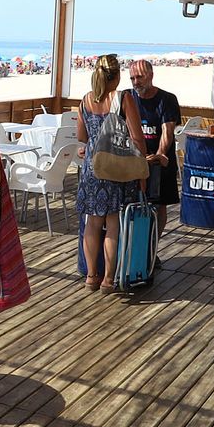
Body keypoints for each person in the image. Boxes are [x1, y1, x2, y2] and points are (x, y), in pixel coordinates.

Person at [75, 54, 147, 293]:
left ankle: (91, 276)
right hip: (116, 166)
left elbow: (82, 137)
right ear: (116, 76)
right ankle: (108, 279)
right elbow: (137, 138)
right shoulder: (123, 98)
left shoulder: (85, 100)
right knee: (113, 223)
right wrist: (143, 170)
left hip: (92, 168)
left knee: (92, 223)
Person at [126, 59, 181, 235]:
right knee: (130, 205)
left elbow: (168, 131)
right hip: (133, 162)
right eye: (132, 78)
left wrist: (159, 155)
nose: (136, 82)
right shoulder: (126, 97)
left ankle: (152, 246)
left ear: (151, 75)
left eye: (140, 77)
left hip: (159, 163)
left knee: (159, 207)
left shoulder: (167, 99)